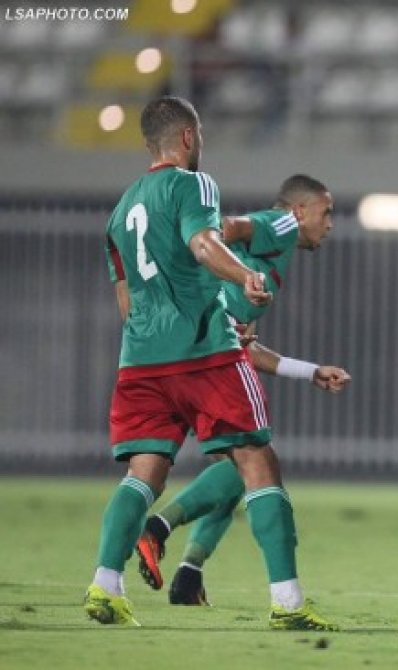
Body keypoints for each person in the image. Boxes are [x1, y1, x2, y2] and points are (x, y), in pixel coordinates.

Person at [84, 96, 336, 631]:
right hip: (204, 351)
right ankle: (288, 603)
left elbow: (126, 303)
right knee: (256, 462)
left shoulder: (119, 212)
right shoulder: (194, 185)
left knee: (143, 473)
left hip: (141, 360)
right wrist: (242, 276)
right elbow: (205, 242)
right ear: (188, 137)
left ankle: (106, 586)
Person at [135, 175, 351, 606]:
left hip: (193, 352)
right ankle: (159, 529)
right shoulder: (282, 224)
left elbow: (247, 350)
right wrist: (210, 262)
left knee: (235, 469)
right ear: (300, 211)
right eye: (326, 212)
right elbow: (226, 227)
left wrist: (310, 372)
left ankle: (188, 572)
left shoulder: (263, 261)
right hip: (203, 357)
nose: (329, 224)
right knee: (254, 463)